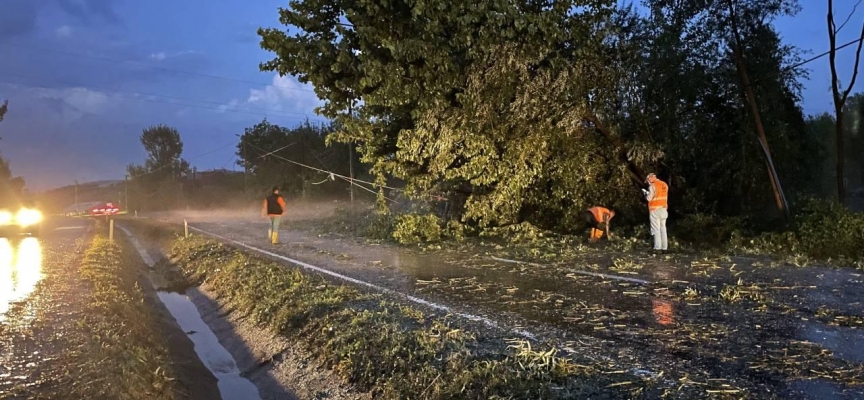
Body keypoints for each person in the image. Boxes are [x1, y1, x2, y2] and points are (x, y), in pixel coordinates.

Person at [642, 173, 668, 252]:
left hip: (655, 210)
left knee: (656, 230)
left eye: (648, 181)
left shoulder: (652, 186)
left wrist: (646, 194)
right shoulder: (664, 184)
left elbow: (649, 198)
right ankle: (664, 248)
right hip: (663, 209)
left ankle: (657, 248)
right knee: (663, 229)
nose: (648, 182)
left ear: (650, 179)